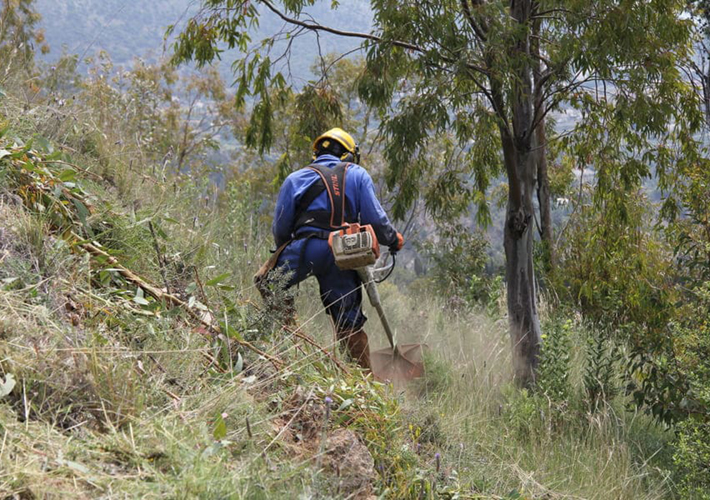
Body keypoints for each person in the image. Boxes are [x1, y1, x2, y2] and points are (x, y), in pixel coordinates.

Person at [255, 127, 404, 371]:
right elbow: (375, 221)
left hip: (304, 247)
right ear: (348, 154)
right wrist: (393, 239)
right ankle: (363, 381)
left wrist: (288, 251)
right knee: (349, 321)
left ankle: (289, 340)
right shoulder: (357, 174)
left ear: (316, 154)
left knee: (267, 282)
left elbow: (281, 228)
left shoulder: (295, 178)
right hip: (343, 252)